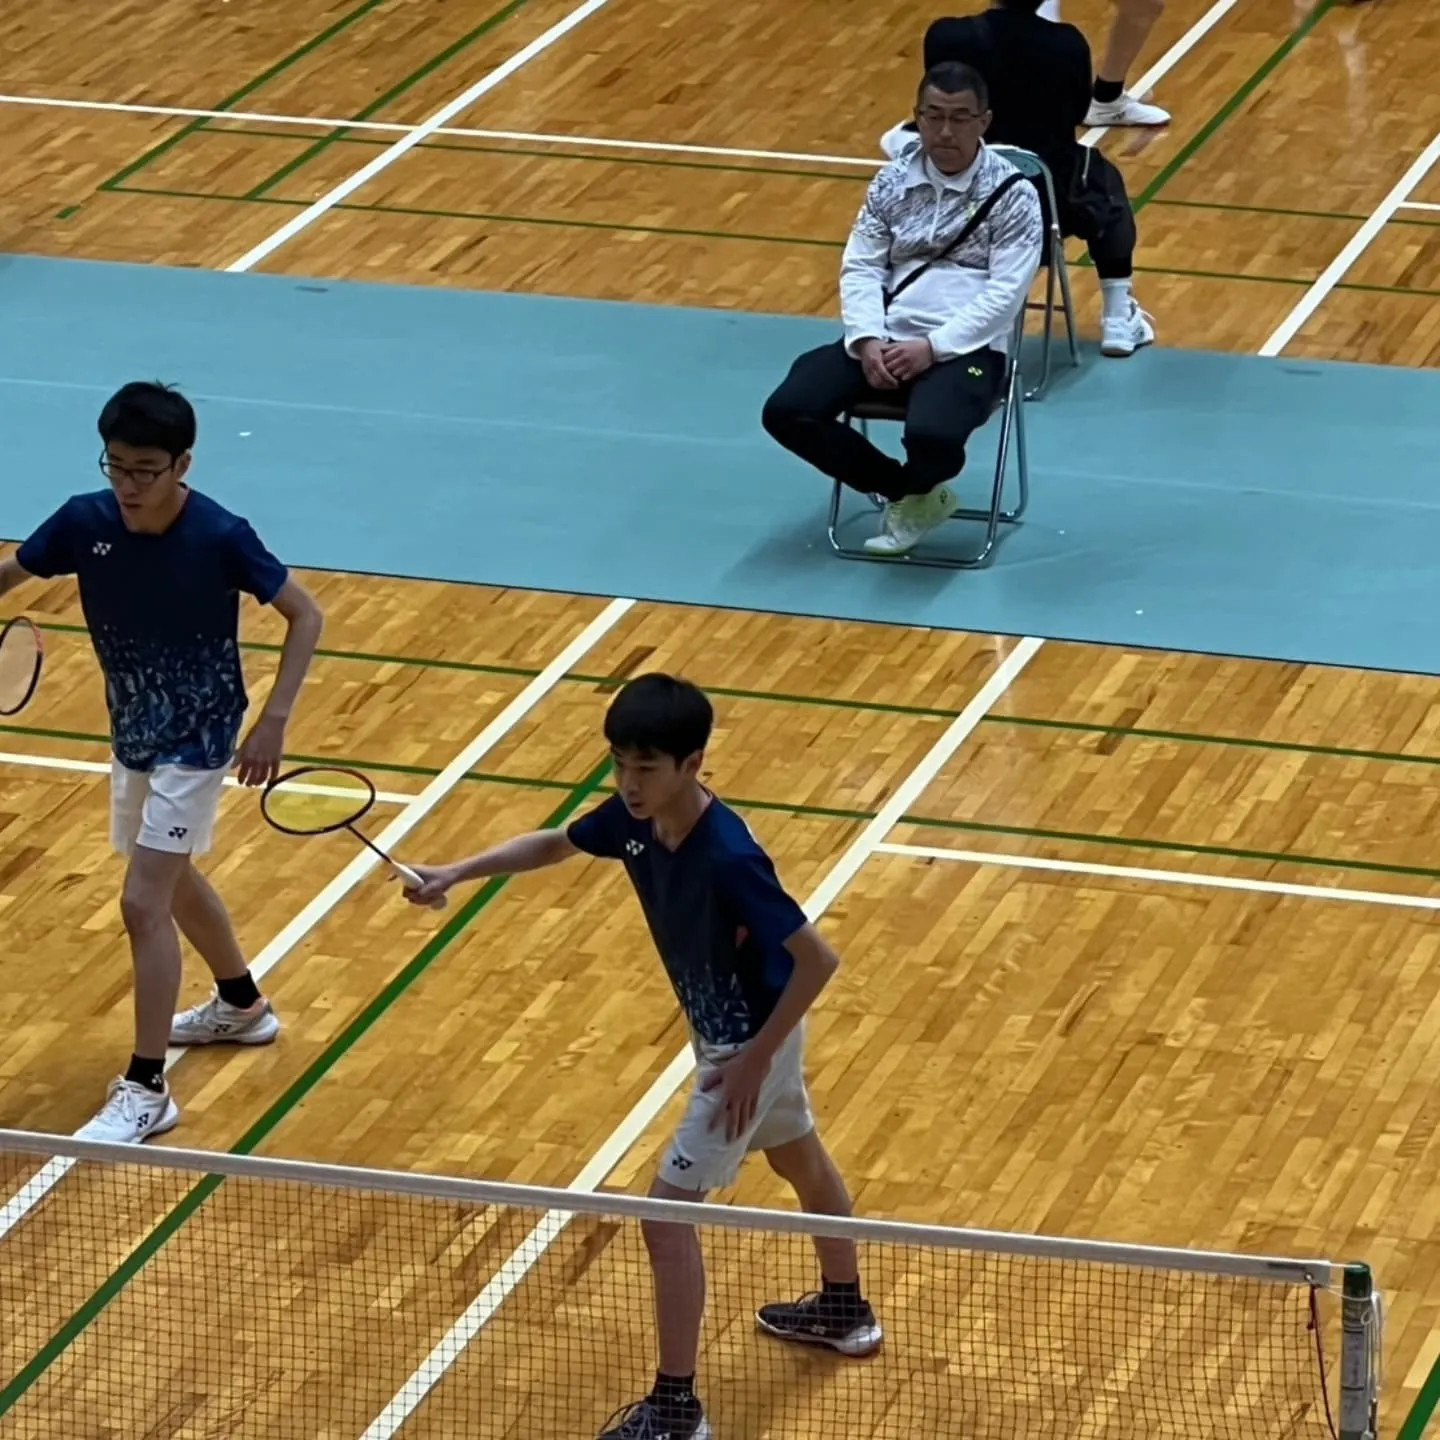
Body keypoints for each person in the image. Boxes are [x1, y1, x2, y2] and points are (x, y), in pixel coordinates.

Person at [403, 674, 882, 1440]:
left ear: (693, 764)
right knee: (798, 1158)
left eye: (647, 768)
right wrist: (455, 871)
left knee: (661, 1218)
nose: (628, 782)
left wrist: (756, 1061)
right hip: (743, 1038)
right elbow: (557, 843)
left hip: (745, 1043)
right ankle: (843, 1308)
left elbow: (817, 961)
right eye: (619, 764)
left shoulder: (727, 858)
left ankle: (675, 1407)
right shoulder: (635, 822)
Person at [0, 381, 324, 1143]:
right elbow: (14, 571)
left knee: (141, 902)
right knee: (170, 880)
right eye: (117, 466)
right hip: (134, 730)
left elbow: (306, 614)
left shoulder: (219, 535)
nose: (129, 486)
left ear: (183, 463)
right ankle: (242, 1006)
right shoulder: (86, 520)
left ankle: (148, 1089)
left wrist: (274, 720)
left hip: (200, 736)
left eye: (146, 469)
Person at [762, 61, 1042, 559]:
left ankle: (916, 491)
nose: (945, 131)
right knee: (787, 410)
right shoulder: (890, 183)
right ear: (917, 117)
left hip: (967, 349)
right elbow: (861, 267)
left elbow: (1006, 294)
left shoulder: (1014, 195)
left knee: (932, 432)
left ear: (985, 121)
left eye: (960, 117)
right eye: (933, 116)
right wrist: (867, 338)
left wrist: (932, 348)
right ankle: (908, 493)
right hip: (885, 337)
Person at [884, 1, 1154, 357]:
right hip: (1039, 215)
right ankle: (1119, 317)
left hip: (958, 211)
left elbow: (939, 103)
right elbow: (1076, 114)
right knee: (1102, 178)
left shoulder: (946, 35)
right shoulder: (1066, 43)